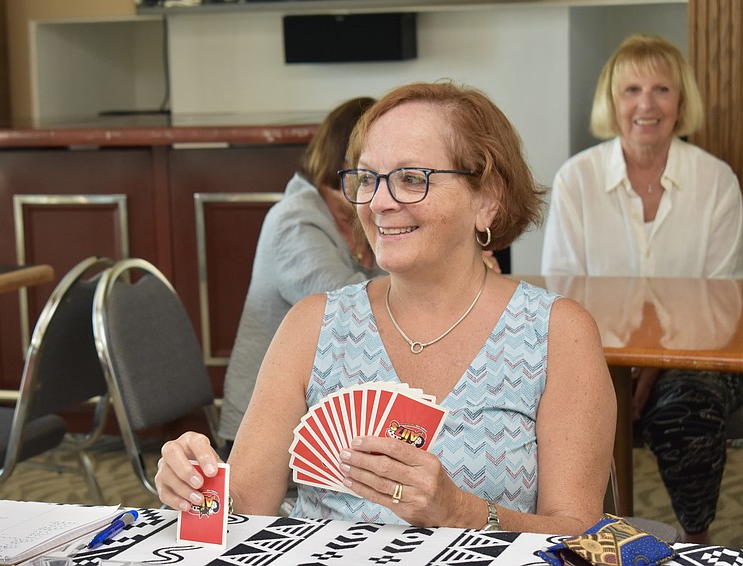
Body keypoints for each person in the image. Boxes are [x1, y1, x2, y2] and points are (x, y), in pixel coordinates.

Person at [157, 81, 616, 536]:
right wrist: (196, 486)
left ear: (488, 199)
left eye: (412, 179)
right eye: (366, 178)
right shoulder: (313, 325)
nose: (378, 202)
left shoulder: (557, 333)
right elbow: (243, 509)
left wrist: (461, 512)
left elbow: (578, 533)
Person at [541, 34, 743, 544]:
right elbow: (562, 294)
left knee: (686, 408)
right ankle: (582, 535)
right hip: (589, 352)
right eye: (631, 89)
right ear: (612, 102)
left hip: (695, 357)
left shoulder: (717, 182)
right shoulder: (576, 180)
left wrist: (649, 366)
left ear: (682, 103)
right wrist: (611, 366)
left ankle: (695, 537)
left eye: (662, 89)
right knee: (557, 408)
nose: (646, 104)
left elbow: (721, 301)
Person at [217, 96, 384, 451]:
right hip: (268, 428)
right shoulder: (292, 221)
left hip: (330, 417)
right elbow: (347, 309)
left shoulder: (361, 216)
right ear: (347, 163)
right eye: (378, 166)